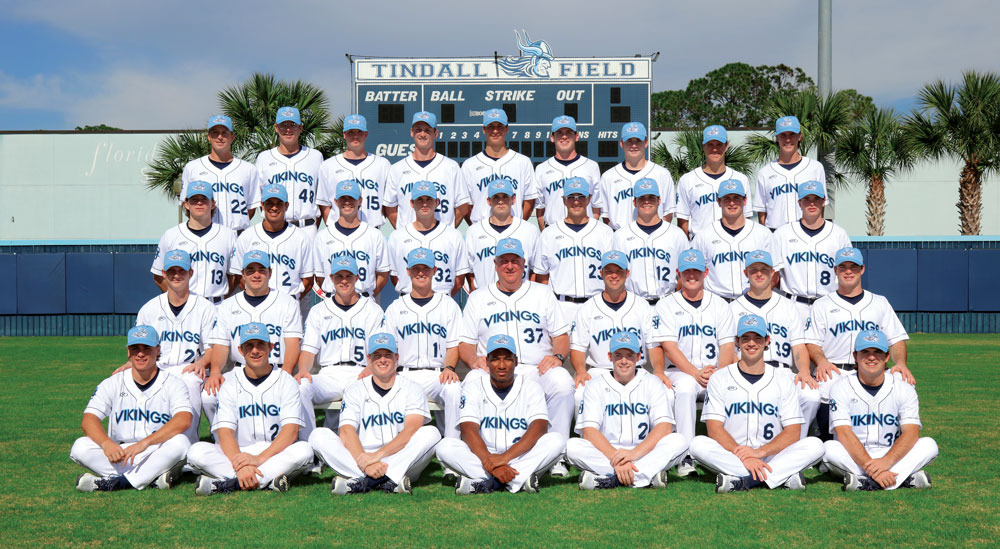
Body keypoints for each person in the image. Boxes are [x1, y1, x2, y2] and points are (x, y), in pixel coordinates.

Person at [458, 237, 575, 476]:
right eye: (504, 261)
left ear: (524, 263)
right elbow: (465, 343)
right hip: (494, 370)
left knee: (562, 381)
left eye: (515, 261)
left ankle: (557, 456)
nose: (509, 266)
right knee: (470, 380)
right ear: (495, 264)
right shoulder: (479, 297)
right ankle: (481, 454)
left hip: (534, 369)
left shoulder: (542, 293)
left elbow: (561, 336)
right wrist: (472, 360)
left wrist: (559, 356)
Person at [688, 314, 825, 493]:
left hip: (773, 456)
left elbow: (793, 432)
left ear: (767, 341)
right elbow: (714, 429)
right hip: (734, 455)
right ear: (737, 342)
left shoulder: (782, 380)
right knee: (697, 444)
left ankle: (746, 480)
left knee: (816, 445)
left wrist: (759, 453)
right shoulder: (719, 378)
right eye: (745, 338)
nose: (751, 343)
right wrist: (744, 456)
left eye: (757, 338)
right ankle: (779, 477)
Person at [187, 322, 314, 494]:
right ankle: (265, 479)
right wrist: (240, 465)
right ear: (240, 350)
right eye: (249, 346)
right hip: (239, 453)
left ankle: (232, 484)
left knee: (304, 450)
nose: (255, 350)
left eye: (260, 344)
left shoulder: (286, 380)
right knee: (196, 451)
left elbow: (291, 432)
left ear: (271, 347)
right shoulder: (230, 381)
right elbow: (225, 433)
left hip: (275, 452)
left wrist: (259, 459)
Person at [310, 333, 442, 494]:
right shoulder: (355, 389)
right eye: (377, 355)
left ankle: (363, 481)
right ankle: (388, 480)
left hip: (402, 458)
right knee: (318, 435)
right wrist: (367, 463)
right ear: (369, 359)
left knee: (431, 433)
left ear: (397, 358)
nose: (382, 360)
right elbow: (346, 431)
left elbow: (411, 429)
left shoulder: (412, 388)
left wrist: (378, 456)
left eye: (388, 355)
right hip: (362, 458)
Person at [436, 335, 567, 494]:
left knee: (557, 440)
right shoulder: (473, 387)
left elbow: (539, 428)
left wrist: (504, 459)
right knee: (445, 446)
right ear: (487, 362)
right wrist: (490, 461)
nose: (502, 365)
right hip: (484, 458)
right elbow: (468, 429)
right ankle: (518, 480)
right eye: (496, 359)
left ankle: (490, 483)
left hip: (522, 457)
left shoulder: (531, 387)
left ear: (516, 361)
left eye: (507, 359)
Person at [804, 247, 914, 437]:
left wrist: (901, 364)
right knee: (823, 386)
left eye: (853, 267)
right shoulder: (822, 305)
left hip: (871, 369)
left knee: (903, 382)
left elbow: (896, 340)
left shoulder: (879, 302)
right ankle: (824, 438)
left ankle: (897, 439)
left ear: (862, 269)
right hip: (835, 369)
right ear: (835, 270)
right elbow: (812, 342)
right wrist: (821, 361)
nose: (848, 271)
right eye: (843, 267)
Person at [71, 326, 192, 492]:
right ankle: (150, 478)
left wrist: (145, 443)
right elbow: (89, 420)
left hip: (155, 451)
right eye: (135, 348)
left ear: (157, 350)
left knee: (181, 443)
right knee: (80, 446)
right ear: (128, 352)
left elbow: (184, 419)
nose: (140, 354)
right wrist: (106, 444)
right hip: (120, 454)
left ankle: (118, 483)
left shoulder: (173, 383)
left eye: (146, 348)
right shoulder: (112, 383)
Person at [650, 248, 736, 476]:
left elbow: (727, 345)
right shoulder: (666, 305)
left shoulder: (720, 305)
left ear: (705, 272)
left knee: (730, 387)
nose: (691, 276)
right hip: (680, 372)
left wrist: (718, 372)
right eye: (686, 271)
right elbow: (669, 346)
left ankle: (726, 453)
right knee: (687, 388)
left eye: (696, 271)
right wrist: (695, 373)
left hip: (715, 371)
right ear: (678, 273)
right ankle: (685, 455)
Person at [567, 331, 688, 489]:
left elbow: (664, 427)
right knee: (572, 446)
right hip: (607, 453)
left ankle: (613, 479)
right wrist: (616, 458)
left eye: (629, 355)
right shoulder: (595, 385)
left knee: (680, 441)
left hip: (644, 452)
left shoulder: (652, 382)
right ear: (610, 357)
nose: (624, 361)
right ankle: (645, 476)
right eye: (618, 355)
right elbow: (589, 431)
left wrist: (634, 454)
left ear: (638, 357)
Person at [822, 330, 937, 491]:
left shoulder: (904, 388)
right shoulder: (840, 387)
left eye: (877, 352)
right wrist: (874, 468)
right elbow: (844, 433)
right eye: (865, 352)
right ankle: (900, 479)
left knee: (929, 445)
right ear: (855, 356)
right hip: (853, 455)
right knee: (828, 448)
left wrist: (885, 463)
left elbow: (911, 433)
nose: (871, 357)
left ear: (887, 356)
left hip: (892, 455)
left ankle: (867, 482)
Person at [202, 251, 302, 424]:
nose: (256, 274)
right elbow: (221, 345)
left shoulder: (287, 303)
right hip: (239, 371)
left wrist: (285, 374)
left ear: (270, 273)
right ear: (243, 274)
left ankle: (298, 439)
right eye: (251, 270)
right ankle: (221, 439)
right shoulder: (228, 306)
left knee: (299, 390)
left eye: (261, 270)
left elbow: (293, 344)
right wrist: (216, 371)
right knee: (209, 396)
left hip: (276, 369)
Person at [729, 250, 820, 438]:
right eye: (754, 270)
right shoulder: (733, 308)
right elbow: (729, 348)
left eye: (764, 269)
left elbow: (798, 346)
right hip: (746, 372)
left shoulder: (788, 306)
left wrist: (803, 370)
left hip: (782, 372)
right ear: (746, 273)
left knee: (811, 396)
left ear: (773, 273)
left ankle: (794, 446)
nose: (759, 274)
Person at [295, 254, 385, 441]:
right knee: (302, 386)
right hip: (329, 375)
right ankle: (309, 446)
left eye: (348, 276)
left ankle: (364, 444)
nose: (344, 281)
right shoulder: (319, 310)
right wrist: (303, 370)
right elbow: (308, 350)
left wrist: (370, 368)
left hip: (361, 373)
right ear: (331, 279)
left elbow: (379, 351)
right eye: (339, 276)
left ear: (357, 277)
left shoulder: (372, 309)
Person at [132, 249, 216, 442]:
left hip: (190, 368)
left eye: (181, 270)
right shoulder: (149, 309)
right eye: (171, 271)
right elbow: (140, 346)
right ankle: (140, 442)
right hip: (158, 367)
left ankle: (188, 446)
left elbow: (213, 348)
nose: (176, 275)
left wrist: (202, 363)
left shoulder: (205, 307)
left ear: (190, 273)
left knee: (190, 381)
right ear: (163, 273)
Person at [382, 248, 463, 440]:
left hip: (437, 375)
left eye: (425, 268)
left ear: (434, 270)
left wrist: (450, 367)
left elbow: (453, 345)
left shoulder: (448, 304)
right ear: (408, 271)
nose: (421, 273)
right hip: (404, 374)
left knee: (453, 388)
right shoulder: (395, 308)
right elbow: (387, 349)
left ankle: (451, 449)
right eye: (416, 268)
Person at [569, 251, 658, 407]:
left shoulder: (641, 305)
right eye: (609, 271)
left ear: (627, 273)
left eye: (619, 271)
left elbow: (653, 345)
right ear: (601, 273)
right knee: (579, 394)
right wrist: (581, 371)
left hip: (635, 369)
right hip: (600, 370)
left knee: (668, 394)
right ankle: (586, 432)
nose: (614, 276)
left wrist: (659, 370)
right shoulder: (588, 308)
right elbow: (578, 347)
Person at [534, 177, 615, 323]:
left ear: (589, 199)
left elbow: (613, 271)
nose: (576, 201)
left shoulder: (604, 232)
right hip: (561, 306)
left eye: (581, 197)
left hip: (597, 305)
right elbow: (542, 276)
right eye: (571, 197)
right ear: (564, 200)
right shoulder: (549, 233)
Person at [770, 181, 852, 323]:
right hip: (793, 305)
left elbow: (849, 274)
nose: (812, 204)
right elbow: (773, 275)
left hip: (828, 304)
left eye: (816, 199)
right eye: (807, 199)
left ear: (824, 201)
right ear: (799, 202)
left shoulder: (838, 234)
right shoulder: (783, 233)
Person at [231, 183, 315, 320]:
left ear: (286, 206)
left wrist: (292, 299)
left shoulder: (301, 238)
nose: (274, 207)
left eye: (279, 203)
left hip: (290, 308)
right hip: (255, 307)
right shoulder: (247, 237)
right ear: (262, 205)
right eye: (269, 203)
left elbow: (308, 280)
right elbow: (239, 277)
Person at [151, 181, 237, 305]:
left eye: (204, 199)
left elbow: (234, 275)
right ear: (186, 204)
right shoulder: (171, 235)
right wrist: (178, 299)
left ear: (213, 204)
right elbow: (159, 275)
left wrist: (222, 298)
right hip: (184, 306)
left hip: (217, 305)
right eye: (194, 199)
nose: (199, 203)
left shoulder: (228, 235)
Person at [383, 111, 471, 229]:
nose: (422, 134)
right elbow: (390, 207)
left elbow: (463, 205)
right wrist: (403, 232)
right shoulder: (397, 169)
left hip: (441, 240)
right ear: (411, 132)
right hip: (409, 241)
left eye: (427, 130)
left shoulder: (451, 167)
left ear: (436, 134)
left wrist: (447, 231)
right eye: (418, 130)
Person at [690, 179, 771, 301]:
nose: (732, 203)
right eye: (727, 198)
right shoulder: (704, 236)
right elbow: (695, 274)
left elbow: (774, 275)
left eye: (736, 198)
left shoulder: (763, 234)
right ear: (718, 201)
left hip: (753, 302)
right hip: (716, 303)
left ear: (745, 200)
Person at [611, 179, 688, 305]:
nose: (646, 201)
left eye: (651, 197)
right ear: (634, 202)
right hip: (634, 304)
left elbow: (686, 272)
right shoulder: (621, 236)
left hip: (669, 302)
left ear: (659, 201)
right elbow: (615, 274)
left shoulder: (676, 234)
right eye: (642, 198)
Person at [311, 179, 390, 300]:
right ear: (336, 201)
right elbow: (320, 277)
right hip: (332, 301)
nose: (347, 202)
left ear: (360, 201)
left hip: (365, 300)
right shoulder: (322, 237)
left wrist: (367, 295)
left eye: (351, 198)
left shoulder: (375, 235)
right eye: (343, 198)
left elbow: (383, 275)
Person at [386, 181, 470, 296]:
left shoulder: (453, 235)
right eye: (420, 199)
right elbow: (395, 276)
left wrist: (443, 299)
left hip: (443, 301)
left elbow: (460, 279)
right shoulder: (397, 237)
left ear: (436, 202)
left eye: (429, 199)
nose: (424, 204)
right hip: (407, 301)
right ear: (412, 203)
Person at [180, 114, 260, 232]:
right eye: (215, 133)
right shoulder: (193, 167)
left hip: (237, 234)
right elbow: (187, 204)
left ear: (232, 137)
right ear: (208, 137)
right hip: (205, 233)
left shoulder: (248, 169)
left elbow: (251, 207)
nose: (220, 137)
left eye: (224, 132)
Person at [254, 106, 324, 236]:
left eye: (292, 125)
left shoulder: (315, 157)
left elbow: (322, 198)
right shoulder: (264, 158)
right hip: (274, 229)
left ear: (300, 128)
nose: (288, 129)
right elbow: (260, 199)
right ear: (276, 128)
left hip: (306, 228)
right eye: (283, 125)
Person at [461, 108, 539, 224]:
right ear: (484, 129)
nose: (495, 130)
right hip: (481, 231)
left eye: (500, 126)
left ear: (507, 129)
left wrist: (518, 226)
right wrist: (477, 227)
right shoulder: (469, 165)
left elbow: (529, 200)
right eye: (491, 126)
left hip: (515, 231)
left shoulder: (523, 162)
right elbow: (466, 205)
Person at [593, 122, 675, 231]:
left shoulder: (662, 174)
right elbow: (606, 217)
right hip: (620, 238)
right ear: (622, 143)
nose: (634, 145)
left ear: (646, 143)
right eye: (629, 141)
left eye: (638, 141)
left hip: (655, 236)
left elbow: (668, 213)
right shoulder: (609, 177)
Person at [674, 125, 751, 240]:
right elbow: (682, 222)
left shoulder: (740, 179)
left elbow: (746, 217)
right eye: (710, 144)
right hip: (699, 245)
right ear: (703, 146)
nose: (715, 149)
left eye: (719, 144)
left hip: (733, 244)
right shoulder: (687, 180)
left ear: (726, 146)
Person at [464, 177, 542, 291]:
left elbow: (536, 269)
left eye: (505, 197)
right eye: (496, 197)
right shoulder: (474, 231)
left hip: (521, 297)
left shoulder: (529, 230)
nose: (501, 201)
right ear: (488, 201)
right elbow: (469, 271)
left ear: (513, 199)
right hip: (485, 298)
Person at [752, 115, 828, 230]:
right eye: (783, 135)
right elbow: (762, 212)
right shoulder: (765, 172)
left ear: (800, 136)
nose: (788, 139)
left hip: (807, 232)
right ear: (777, 138)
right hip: (775, 233)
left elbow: (821, 206)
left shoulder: (815, 168)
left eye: (792, 134)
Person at [316, 114, 390, 228]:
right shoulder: (328, 166)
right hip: (338, 232)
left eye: (359, 132)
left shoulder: (382, 164)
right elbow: (324, 204)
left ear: (366, 134)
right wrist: (333, 229)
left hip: (371, 230)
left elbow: (388, 203)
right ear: (344, 135)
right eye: (351, 132)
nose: (355, 136)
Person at [533, 115, 601, 231]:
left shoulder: (591, 166)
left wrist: (591, 231)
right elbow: (540, 209)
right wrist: (546, 232)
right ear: (552, 137)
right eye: (559, 133)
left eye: (569, 132)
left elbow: (596, 206)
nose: (564, 136)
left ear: (576, 136)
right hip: (554, 232)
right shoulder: (541, 169)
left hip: (585, 231)